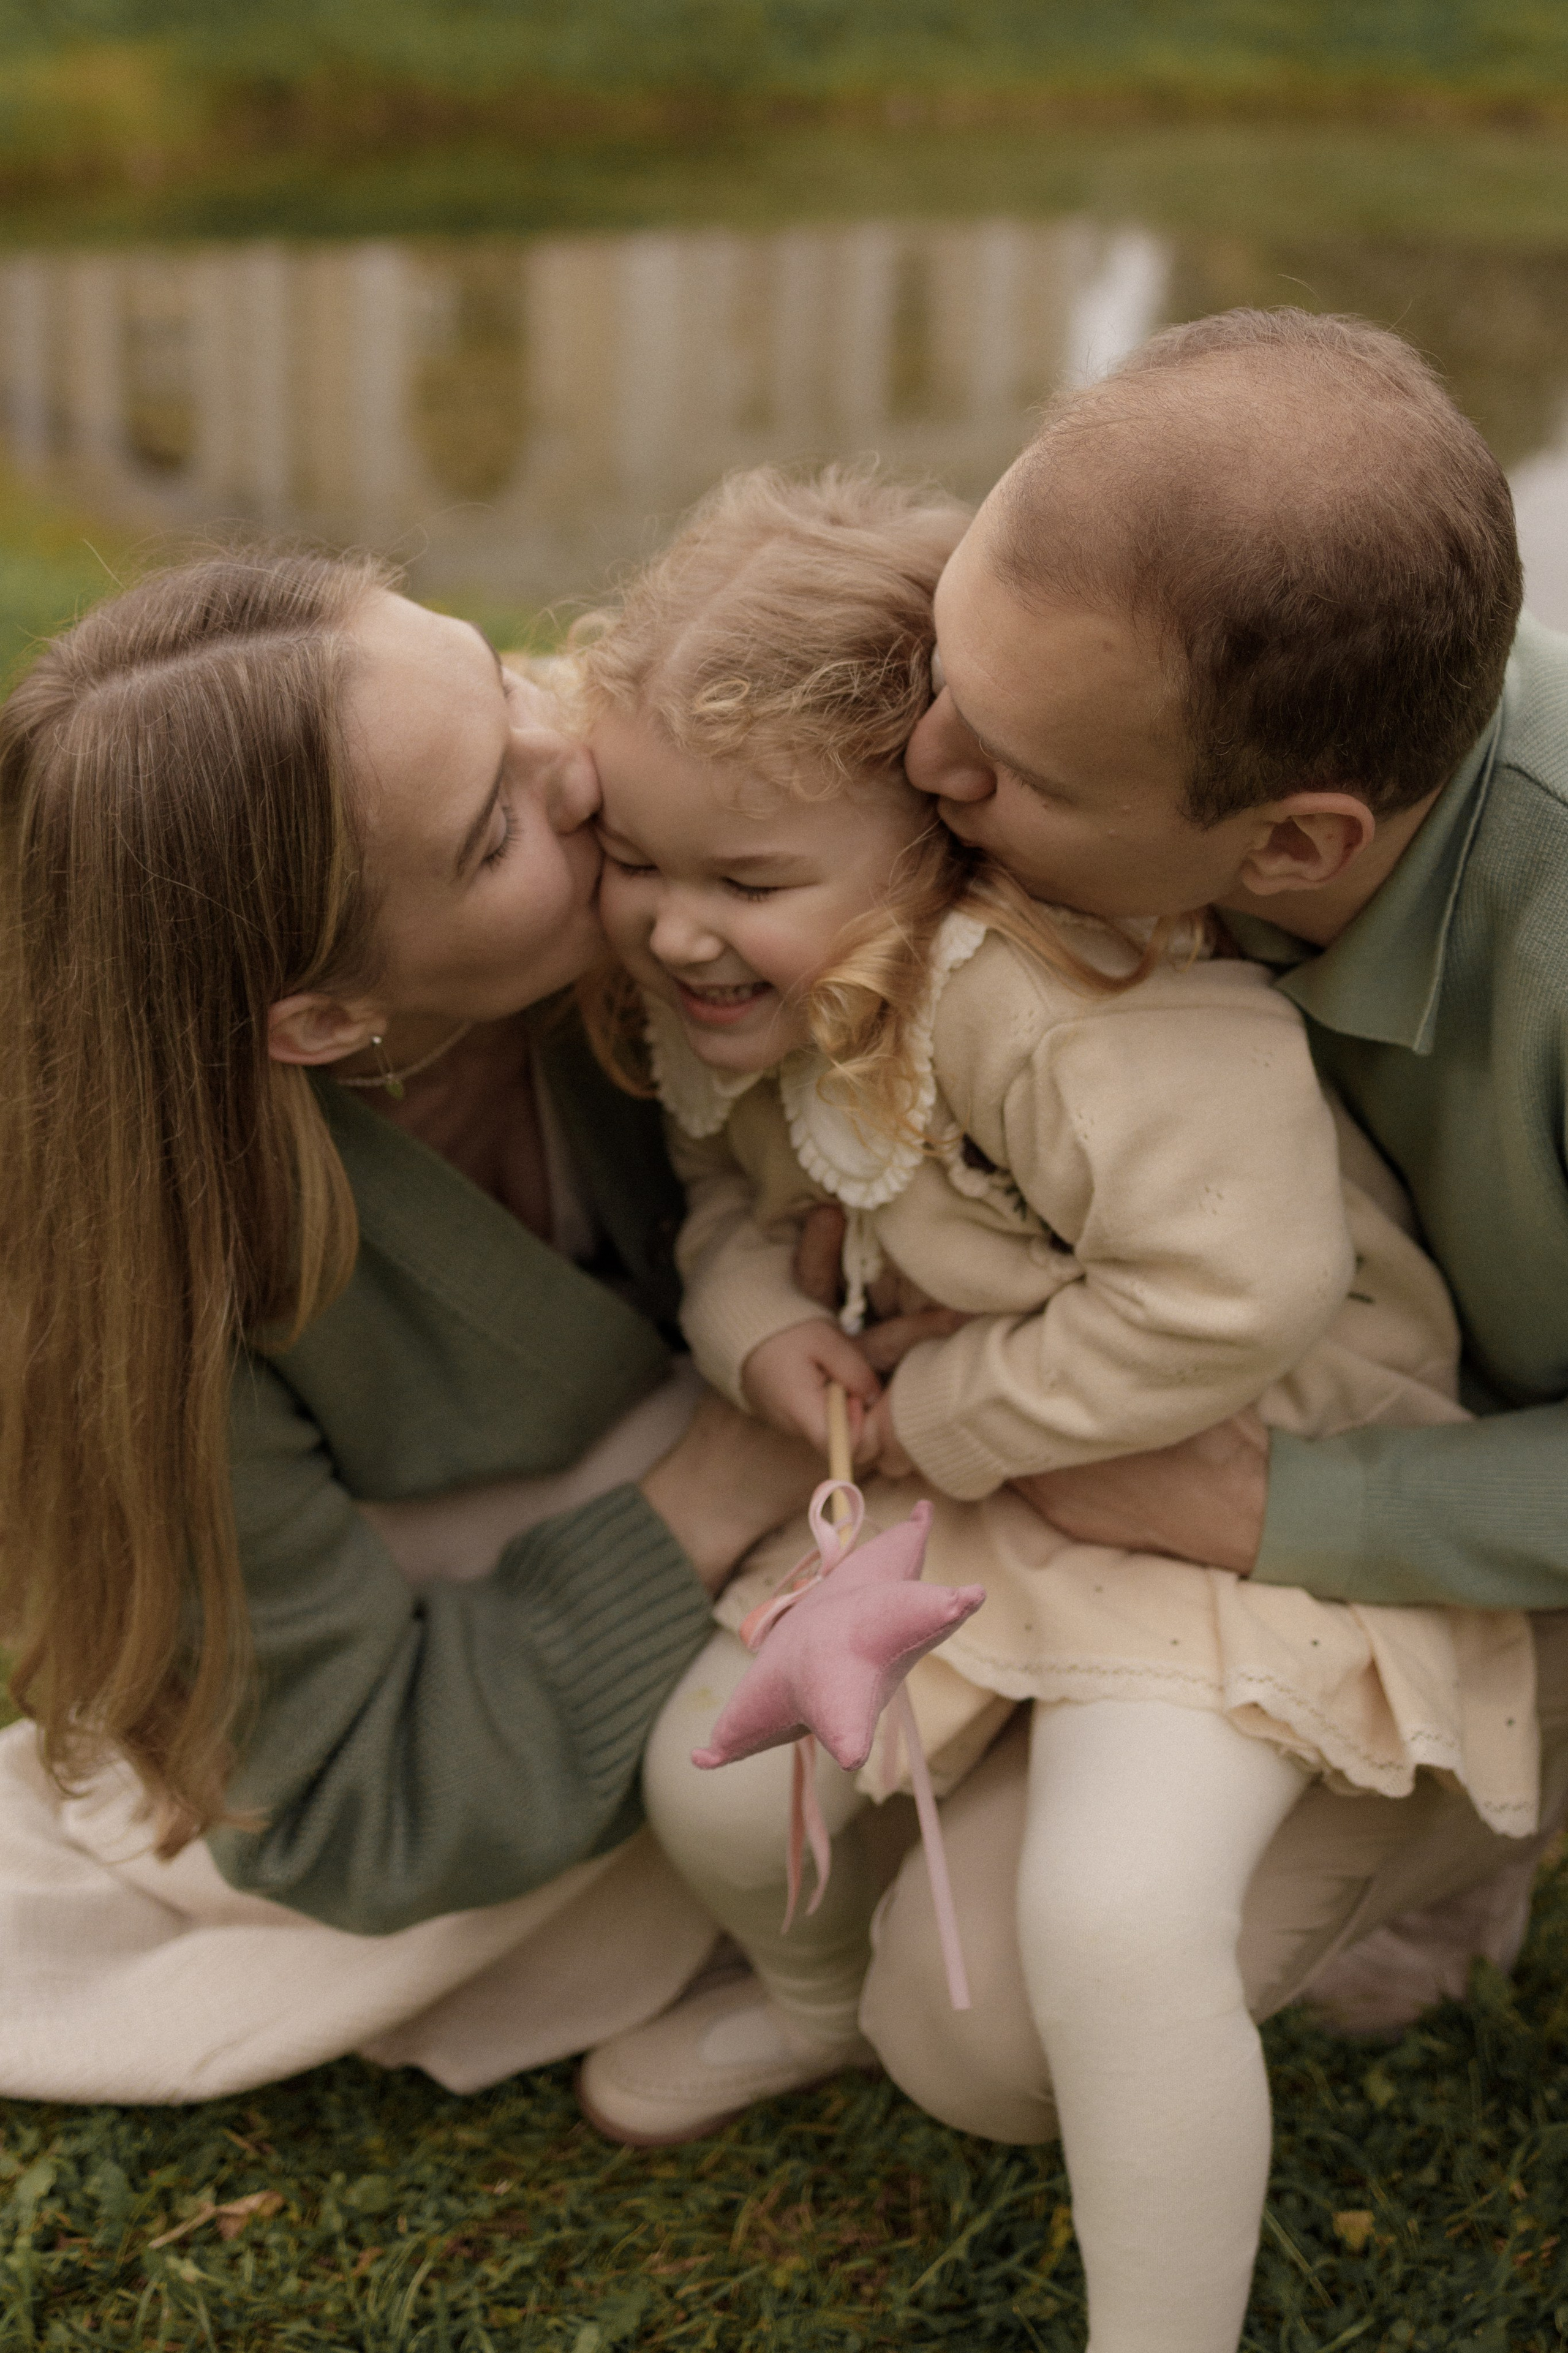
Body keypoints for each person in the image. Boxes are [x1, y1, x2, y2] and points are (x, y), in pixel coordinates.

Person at [555, 464, 1538, 2353]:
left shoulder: (1052, 996)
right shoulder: (755, 987)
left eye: (743, 882)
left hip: (1246, 1486)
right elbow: (729, 1196)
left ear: (935, 846)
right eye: (638, 859)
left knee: (1114, 1918)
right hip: (1002, 1467)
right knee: (720, 1789)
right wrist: (760, 1328)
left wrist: (947, 1411)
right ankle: (817, 2010)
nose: (674, 932)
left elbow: (1239, 1288)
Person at [850, 308, 1568, 2164]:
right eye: (943, 669)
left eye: (1016, 767)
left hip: (1471, 1508)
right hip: (1201, 1446)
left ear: (1295, 848)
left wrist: (1288, 1510)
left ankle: (1498, 1792)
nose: (922, 759)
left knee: (986, 2036)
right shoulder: (1143, 711)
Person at [0, 549, 824, 2104]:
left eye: (498, 677)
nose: (573, 761)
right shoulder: (121, 1283)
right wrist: (712, 1488)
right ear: (324, 1019)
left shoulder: (675, 833)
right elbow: (339, 1796)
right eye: (493, 831)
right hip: (480, 1702)